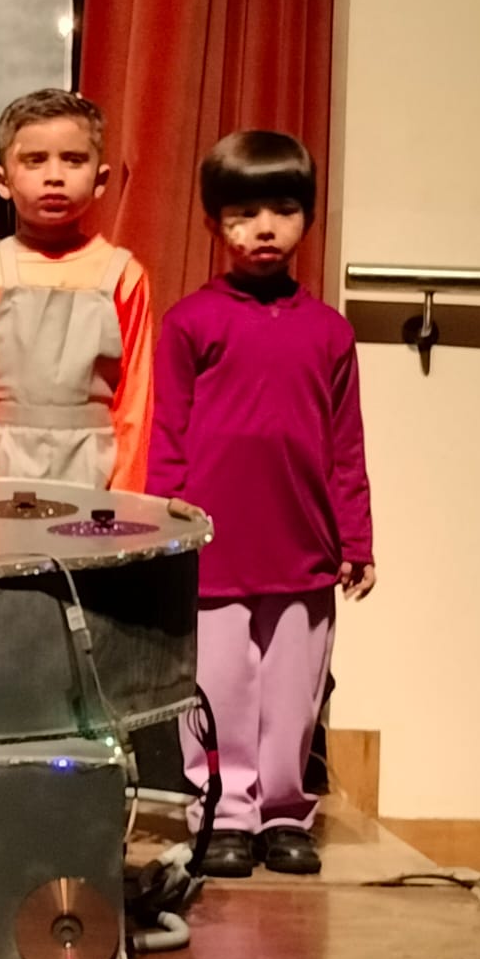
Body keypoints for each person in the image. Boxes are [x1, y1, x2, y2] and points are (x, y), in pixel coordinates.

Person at [148, 130, 375, 877]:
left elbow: (346, 446)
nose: (264, 228)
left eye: (282, 209)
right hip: (213, 547)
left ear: (307, 216)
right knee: (216, 689)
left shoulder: (330, 332)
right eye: (244, 214)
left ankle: (283, 815)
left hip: (303, 546)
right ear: (214, 223)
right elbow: (167, 435)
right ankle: (224, 814)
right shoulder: (189, 323)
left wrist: (357, 539)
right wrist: (168, 533)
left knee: (292, 695)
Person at [0, 89, 151, 490]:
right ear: (2, 180)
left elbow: (135, 401)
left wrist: (125, 501)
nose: (54, 175)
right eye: (35, 160)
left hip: (96, 470)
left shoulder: (123, 275)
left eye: (73, 160)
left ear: (100, 180)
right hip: (5, 467)